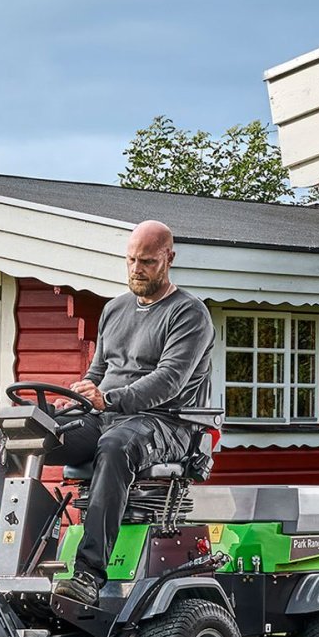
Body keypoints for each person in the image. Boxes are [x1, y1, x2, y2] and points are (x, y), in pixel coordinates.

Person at [45, 220, 218, 605]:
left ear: (169, 258)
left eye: (148, 262)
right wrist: (77, 399)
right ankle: (15, 554)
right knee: (31, 433)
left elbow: (169, 381)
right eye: (131, 260)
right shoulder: (114, 309)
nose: (137, 269)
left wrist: (108, 399)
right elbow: (98, 372)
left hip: (167, 423)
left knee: (115, 446)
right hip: (108, 415)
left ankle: (88, 573)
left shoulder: (189, 314)